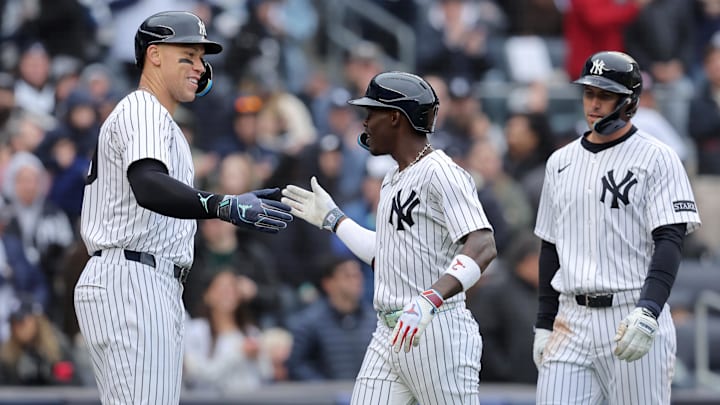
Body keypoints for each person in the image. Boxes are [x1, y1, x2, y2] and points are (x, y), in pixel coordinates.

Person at [72, 11, 293, 405]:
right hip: (132, 278)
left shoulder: (164, 122)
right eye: (187, 56)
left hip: (145, 279)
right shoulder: (143, 109)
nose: (199, 66)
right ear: (154, 55)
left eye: (201, 58)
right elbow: (148, 184)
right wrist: (222, 205)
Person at [282, 71, 497, 404]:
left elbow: (483, 245)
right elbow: (384, 254)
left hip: (437, 330)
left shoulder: (441, 171)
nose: (365, 122)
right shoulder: (392, 178)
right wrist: (334, 219)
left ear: (396, 118)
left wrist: (430, 299)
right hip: (390, 332)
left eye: (372, 113)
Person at [532, 51, 701, 405]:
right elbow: (550, 247)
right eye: (589, 93)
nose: (594, 104)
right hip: (571, 318)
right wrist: (544, 323)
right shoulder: (560, 162)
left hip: (630, 310)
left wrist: (649, 309)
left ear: (630, 103)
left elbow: (669, 240)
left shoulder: (657, 157)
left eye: (605, 95)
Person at [285, 255, 376, 381]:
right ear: (328, 283)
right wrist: (323, 390)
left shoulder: (375, 320)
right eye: (347, 276)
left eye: (358, 275)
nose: (356, 280)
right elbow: (297, 365)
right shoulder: (309, 322)